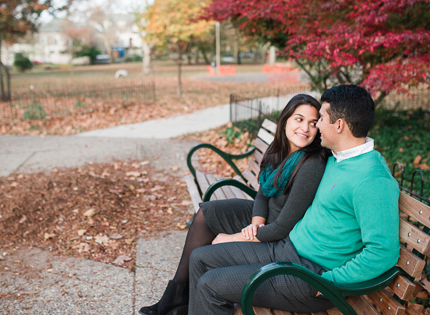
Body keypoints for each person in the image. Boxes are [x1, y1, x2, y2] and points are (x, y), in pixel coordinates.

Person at [187, 84, 400, 315]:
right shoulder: (337, 159)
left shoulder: (372, 180)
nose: (316, 124)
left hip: (310, 275)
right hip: (287, 249)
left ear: (338, 125)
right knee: (199, 258)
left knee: (211, 284)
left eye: (320, 118)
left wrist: (329, 281)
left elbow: (382, 252)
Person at [141, 94, 330, 315]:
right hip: (265, 219)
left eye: (313, 123)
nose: (305, 128)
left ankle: (187, 304)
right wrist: (255, 224)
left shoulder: (311, 164)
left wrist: (233, 238)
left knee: (206, 251)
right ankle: (176, 298)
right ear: (286, 120)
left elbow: (283, 228)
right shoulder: (281, 149)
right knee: (206, 213)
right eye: (299, 119)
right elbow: (262, 196)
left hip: (280, 235)